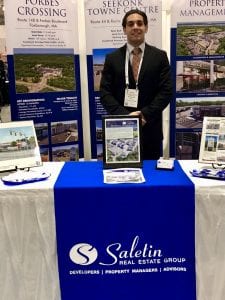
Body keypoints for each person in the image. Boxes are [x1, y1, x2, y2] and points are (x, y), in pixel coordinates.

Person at [100, 9, 173, 160]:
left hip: (150, 130)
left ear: (146, 27)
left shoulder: (159, 56)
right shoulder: (112, 58)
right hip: (120, 130)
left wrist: (144, 115)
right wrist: (126, 117)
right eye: (130, 24)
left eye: (140, 23)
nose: (135, 27)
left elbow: (166, 92)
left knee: (151, 179)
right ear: (124, 29)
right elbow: (105, 93)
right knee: (122, 176)